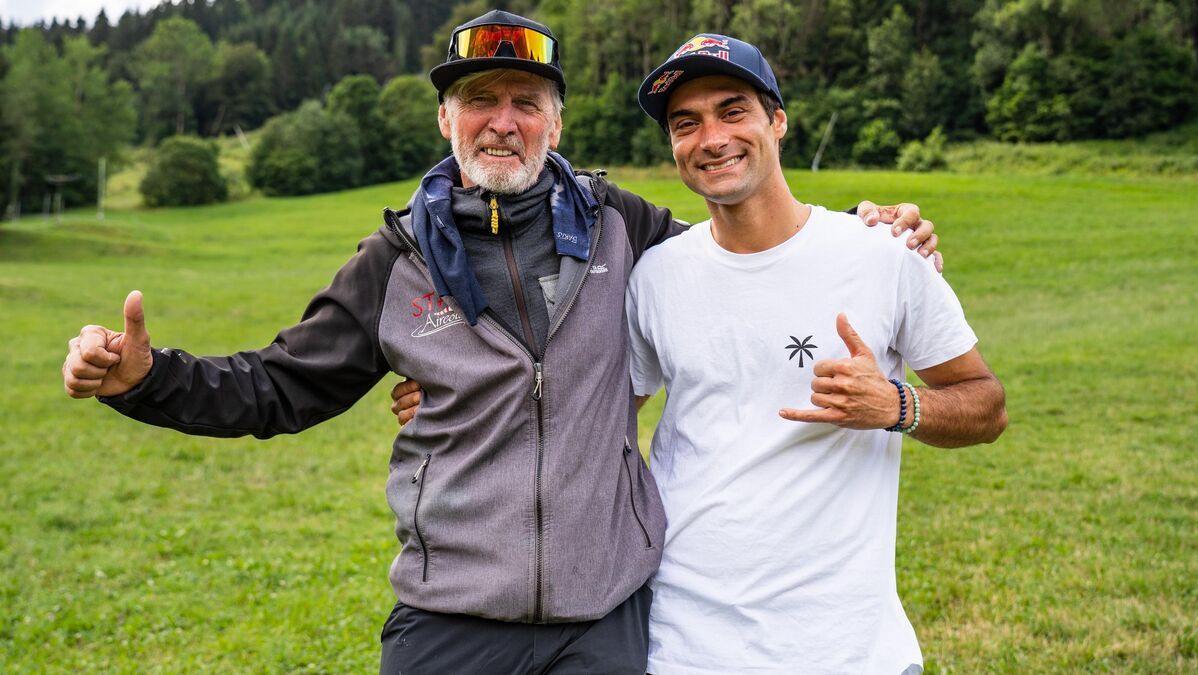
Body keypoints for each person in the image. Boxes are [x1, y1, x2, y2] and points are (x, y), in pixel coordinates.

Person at [63, 11, 941, 675]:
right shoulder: (394, 260)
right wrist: (145, 376)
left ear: (556, 124)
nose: (503, 121)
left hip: (606, 622)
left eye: (527, 102)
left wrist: (877, 231)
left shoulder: (624, 228)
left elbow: (748, 254)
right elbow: (277, 386)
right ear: (445, 119)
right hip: (449, 623)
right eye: (479, 99)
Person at [622, 35, 1007, 673]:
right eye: (685, 124)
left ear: (778, 121)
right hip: (683, 643)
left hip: (846, 645)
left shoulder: (882, 253)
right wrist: (445, 393)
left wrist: (896, 405)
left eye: (733, 111)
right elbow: (591, 415)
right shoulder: (655, 276)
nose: (711, 137)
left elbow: (986, 406)